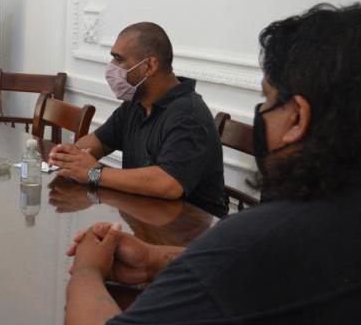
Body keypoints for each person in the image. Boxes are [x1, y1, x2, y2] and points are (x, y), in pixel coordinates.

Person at [64, 4, 361, 325]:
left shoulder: (257, 244)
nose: (262, 115)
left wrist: (87, 269)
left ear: (297, 119)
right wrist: (156, 259)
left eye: (268, 101)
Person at [48, 22, 227, 217]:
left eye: (119, 59)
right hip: (144, 219)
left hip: (190, 233)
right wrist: (71, 157)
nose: (111, 69)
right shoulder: (137, 103)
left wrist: (93, 172)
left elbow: (168, 184)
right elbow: (99, 141)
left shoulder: (189, 115)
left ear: (149, 66)